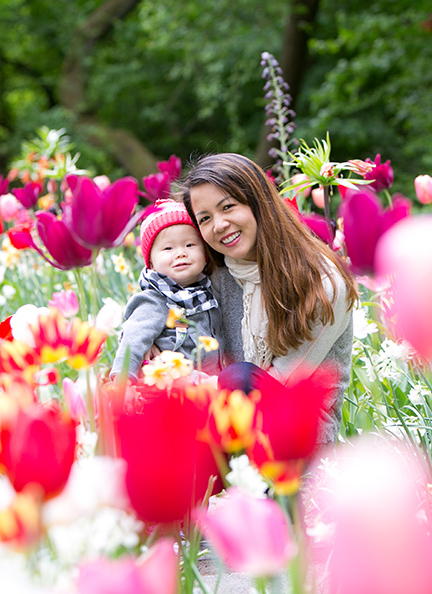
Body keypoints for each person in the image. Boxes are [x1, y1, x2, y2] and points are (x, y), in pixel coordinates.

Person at [180, 153, 358, 444]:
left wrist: (195, 390)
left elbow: (275, 384)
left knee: (239, 379)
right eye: (205, 219)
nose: (219, 225)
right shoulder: (219, 275)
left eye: (228, 207)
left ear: (258, 202)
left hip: (297, 439)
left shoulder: (321, 283)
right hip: (226, 422)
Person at [110, 199, 222, 381]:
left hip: (217, 389)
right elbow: (133, 339)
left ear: (205, 254)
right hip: (176, 391)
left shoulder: (209, 292)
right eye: (168, 248)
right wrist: (123, 381)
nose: (180, 253)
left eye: (190, 245)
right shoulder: (155, 300)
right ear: (151, 263)